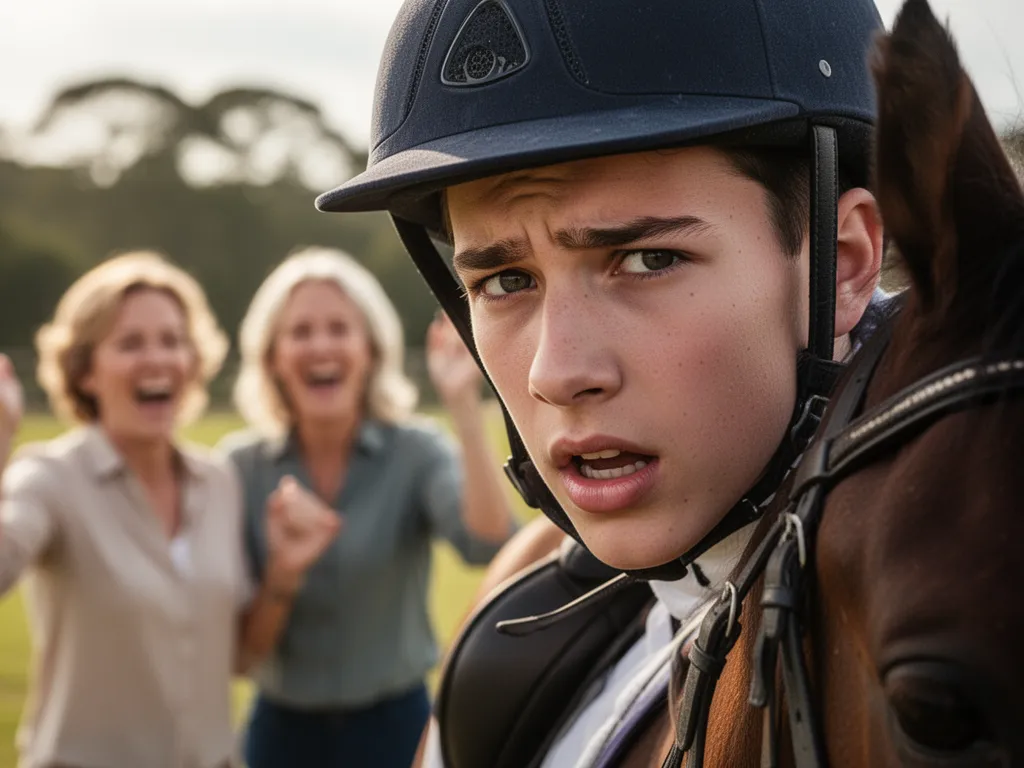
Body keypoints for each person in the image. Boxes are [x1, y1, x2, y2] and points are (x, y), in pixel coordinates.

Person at [313, 0, 894, 765]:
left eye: (648, 260)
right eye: (505, 280)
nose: (557, 373)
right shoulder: (520, 612)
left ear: (845, 261)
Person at [0, 251, 340, 768]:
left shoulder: (218, 481)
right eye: (131, 343)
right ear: (86, 372)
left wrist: (283, 575)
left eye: (173, 341)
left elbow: (238, 659)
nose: (158, 358)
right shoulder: (48, 477)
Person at [218, 246, 518, 768]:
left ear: (371, 350)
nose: (321, 346)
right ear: (272, 356)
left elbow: (487, 544)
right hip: (279, 733)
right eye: (301, 332)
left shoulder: (416, 451)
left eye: (339, 328)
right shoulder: (239, 468)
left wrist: (464, 406)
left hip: (396, 727)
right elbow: (242, 651)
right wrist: (282, 574)